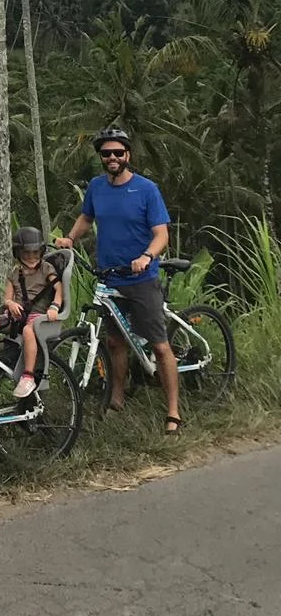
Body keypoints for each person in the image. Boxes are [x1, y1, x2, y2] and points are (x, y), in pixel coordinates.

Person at [56, 128, 181, 433]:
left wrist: (147, 256)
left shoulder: (147, 189)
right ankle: (116, 400)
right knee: (114, 342)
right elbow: (87, 217)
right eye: (106, 153)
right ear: (101, 157)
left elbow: (161, 234)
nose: (112, 157)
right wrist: (70, 238)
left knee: (160, 346)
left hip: (141, 277)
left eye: (118, 152)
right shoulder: (97, 187)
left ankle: (173, 412)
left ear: (128, 155)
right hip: (109, 277)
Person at [2, 225, 65, 399]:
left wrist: (55, 306)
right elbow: (7, 298)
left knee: (28, 331)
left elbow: (59, 288)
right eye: (26, 253)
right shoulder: (14, 272)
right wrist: (10, 304)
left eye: (35, 253)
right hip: (18, 314)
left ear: (41, 252)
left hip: (39, 316)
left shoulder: (46, 269)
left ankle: (28, 376)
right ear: (18, 253)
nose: (31, 257)